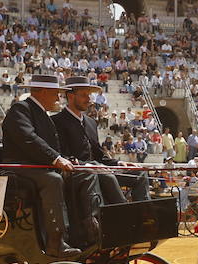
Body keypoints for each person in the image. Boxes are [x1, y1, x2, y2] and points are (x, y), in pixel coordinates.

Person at [0, 72, 82, 257]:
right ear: (44, 91)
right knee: (52, 180)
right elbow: (28, 138)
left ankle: (80, 232)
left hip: (37, 166)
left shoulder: (41, 113)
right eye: (56, 93)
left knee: (77, 176)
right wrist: (56, 159)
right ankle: (55, 241)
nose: (58, 97)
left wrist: (63, 158)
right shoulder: (20, 109)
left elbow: (49, 144)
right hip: (18, 168)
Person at [54, 75, 151, 205]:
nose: (89, 99)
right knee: (107, 176)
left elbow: (99, 155)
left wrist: (118, 163)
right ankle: (125, 213)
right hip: (78, 174)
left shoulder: (91, 122)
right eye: (84, 95)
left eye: (89, 95)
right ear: (70, 96)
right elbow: (61, 155)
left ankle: (146, 215)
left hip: (100, 170)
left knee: (139, 173)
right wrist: (89, 166)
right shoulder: (56, 121)